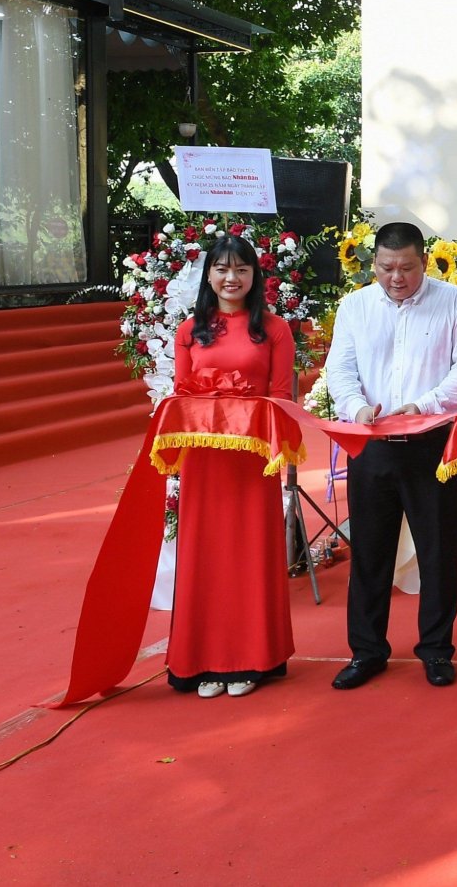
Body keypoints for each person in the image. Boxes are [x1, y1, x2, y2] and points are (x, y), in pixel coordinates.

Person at [322, 221, 457, 690]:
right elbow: (340, 367)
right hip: (371, 444)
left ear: (424, 262)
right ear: (373, 264)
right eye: (387, 268)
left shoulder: (454, 302)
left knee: (438, 552)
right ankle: (367, 651)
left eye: (406, 267)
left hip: (432, 443)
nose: (396, 277)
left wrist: (425, 404)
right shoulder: (356, 306)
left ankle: (435, 650)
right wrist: (355, 407)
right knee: (370, 553)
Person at [166, 232, 297, 697]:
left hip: (251, 462)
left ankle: (249, 659)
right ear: (207, 275)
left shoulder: (275, 329)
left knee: (248, 556)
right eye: (221, 268)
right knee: (206, 556)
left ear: (254, 275)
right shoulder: (188, 331)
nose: (230, 278)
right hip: (205, 462)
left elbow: (281, 398)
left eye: (241, 269)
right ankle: (201, 660)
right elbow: (182, 400)